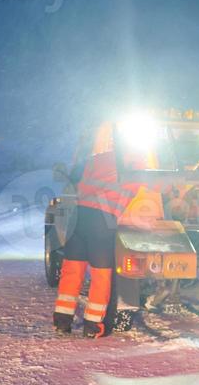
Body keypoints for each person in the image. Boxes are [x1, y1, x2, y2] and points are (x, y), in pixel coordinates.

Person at [54, 121, 138, 338]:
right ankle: (94, 326)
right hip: (102, 221)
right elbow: (152, 183)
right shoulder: (132, 161)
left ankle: (62, 323)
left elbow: (79, 182)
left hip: (80, 216)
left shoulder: (97, 158)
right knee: (101, 276)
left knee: (72, 270)